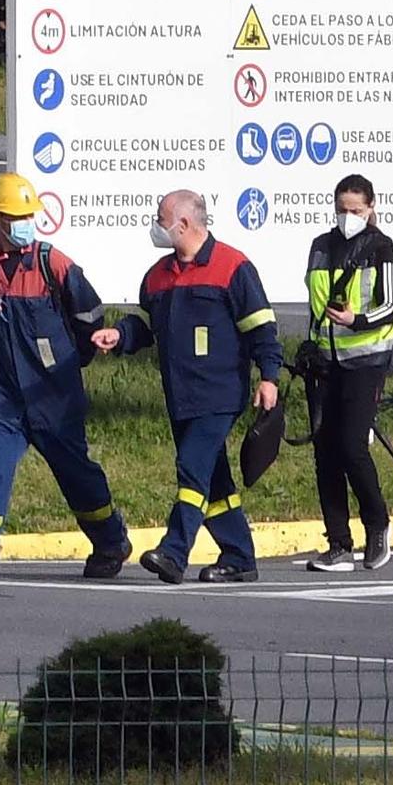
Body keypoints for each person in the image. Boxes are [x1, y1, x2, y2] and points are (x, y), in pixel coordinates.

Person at [0, 173, 132, 582]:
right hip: (4, 394)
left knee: (75, 474)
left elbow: (88, 315)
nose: (25, 222)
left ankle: (111, 540)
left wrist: (74, 360)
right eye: (15, 215)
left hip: (54, 395)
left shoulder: (52, 263)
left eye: (29, 214)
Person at [93, 190, 283, 583]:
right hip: (180, 396)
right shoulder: (158, 275)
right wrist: (119, 335)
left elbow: (261, 327)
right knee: (214, 480)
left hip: (220, 394)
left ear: (184, 224)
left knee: (191, 468)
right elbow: (144, 325)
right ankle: (239, 555)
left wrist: (268, 377)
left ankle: (174, 552)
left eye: (160, 219)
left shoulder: (232, 267)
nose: (155, 225)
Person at [301, 174, 393, 572]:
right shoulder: (320, 247)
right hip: (325, 361)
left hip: (366, 360)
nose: (347, 217)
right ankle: (338, 543)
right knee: (325, 452)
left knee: (352, 445)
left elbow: (390, 305)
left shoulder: (380, 247)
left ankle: (377, 527)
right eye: (341, 210)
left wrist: (356, 319)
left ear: (371, 207)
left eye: (355, 210)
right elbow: (314, 302)